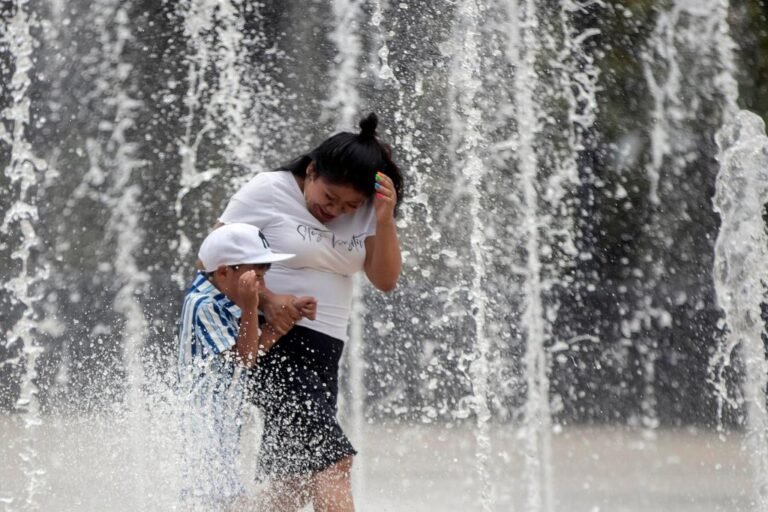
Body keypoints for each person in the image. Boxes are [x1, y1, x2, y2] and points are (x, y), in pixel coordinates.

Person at [217, 112, 404, 511]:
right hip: (275, 341)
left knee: (291, 483)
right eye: (329, 197)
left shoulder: (371, 210)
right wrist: (267, 300)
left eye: (350, 205)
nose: (335, 210)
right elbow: (215, 260)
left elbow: (385, 280)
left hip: (324, 351)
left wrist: (384, 220)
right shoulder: (269, 190)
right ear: (312, 169)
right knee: (334, 461)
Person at [176, 222, 315, 510]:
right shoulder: (203, 304)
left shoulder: (223, 297)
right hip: (202, 428)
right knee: (220, 502)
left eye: (263, 277)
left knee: (226, 501)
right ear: (225, 272)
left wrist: (283, 323)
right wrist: (252, 307)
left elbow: (248, 351)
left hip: (222, 424)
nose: (261, 287)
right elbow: (245, 358)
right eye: (255, 278)